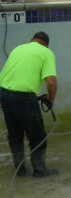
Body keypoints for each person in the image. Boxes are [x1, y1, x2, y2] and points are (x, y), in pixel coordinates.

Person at [0, 31, 59, 177]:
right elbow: (51, 82)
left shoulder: (18, 48)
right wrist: (51, 99)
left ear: (32, 40)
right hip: (23, 98)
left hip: (3, 94)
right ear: (46, 44)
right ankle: (40, 171)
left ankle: (19, 170)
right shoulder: (46, 52)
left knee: (15, 134)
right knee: (38, 136)